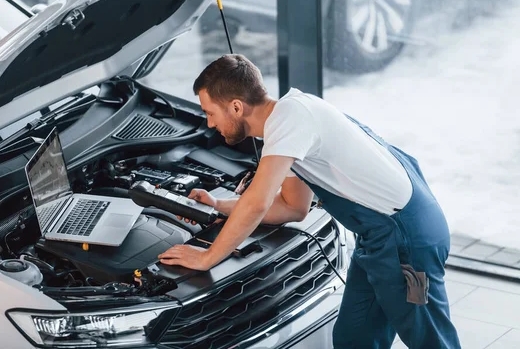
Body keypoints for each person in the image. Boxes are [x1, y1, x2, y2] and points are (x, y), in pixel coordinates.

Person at [157, 54, 461, 348]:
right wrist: (217, 204)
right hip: (379, 238)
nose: (209, 123)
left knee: (430, 340)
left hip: (406, 239)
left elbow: (257, 203)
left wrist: (207, 257)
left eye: (211, 113)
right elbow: (293, 207)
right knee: (354, 339)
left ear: (236, 107)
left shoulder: (289, 122)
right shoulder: (291, 117)